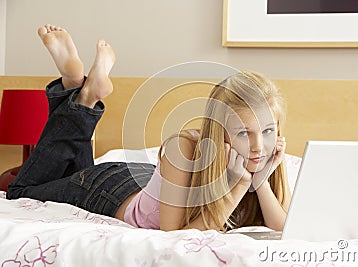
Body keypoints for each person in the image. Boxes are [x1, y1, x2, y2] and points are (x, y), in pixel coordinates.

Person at [7, 24, 291, 232]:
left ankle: (78, 91)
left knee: (70, 172)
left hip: (150, 184)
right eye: (244, 132)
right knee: (21, 190)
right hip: (111, 189)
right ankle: (80, 93)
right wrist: (241, 183)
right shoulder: (184, 147)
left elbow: (284, 229)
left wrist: (260, 182)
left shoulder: (263, 157)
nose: (258, 146)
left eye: (267, 131)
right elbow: (174, 237)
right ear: (221, 131)